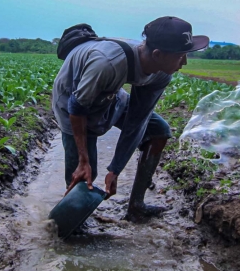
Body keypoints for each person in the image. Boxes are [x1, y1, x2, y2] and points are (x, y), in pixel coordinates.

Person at [52, 16, 209, 222]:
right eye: (180, 56)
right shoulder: (107, 63)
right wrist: (83, 160)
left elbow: (138, 119)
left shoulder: (161, 73)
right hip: (73, 97)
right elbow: (77, 107)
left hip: (110, 93)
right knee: (84, 173)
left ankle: (136, 205)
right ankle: (66, 221)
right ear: (157, 54)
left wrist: (116, 168)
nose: (185, 62)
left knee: (158, 130)